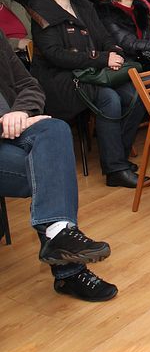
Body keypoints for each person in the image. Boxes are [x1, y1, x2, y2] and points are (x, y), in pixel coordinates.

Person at [0, 34, 117, 301]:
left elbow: (29, 84)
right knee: (49, 173)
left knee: (54, 129)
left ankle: (59, 235)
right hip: (6, 132)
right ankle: (69, 272)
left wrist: (21, 111)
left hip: (15, 129)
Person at [27, 0, 145, 188]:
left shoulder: (82, 5)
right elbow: (56, 55)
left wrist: (114, 53)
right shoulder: (41, 13)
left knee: (135, 95)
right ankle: (115, 169)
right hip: (60, 78)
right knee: (109, 99)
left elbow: (103, 37)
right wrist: (102, 59)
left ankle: (118, 155)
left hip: (92, 70)